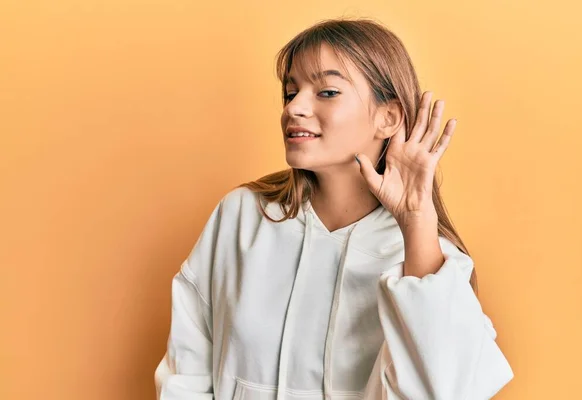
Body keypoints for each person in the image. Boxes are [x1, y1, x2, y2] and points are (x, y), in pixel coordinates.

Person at [154, 18, 514, 400]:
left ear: (387, 117)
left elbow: (451, 390)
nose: (295, 108)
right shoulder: (241, 217)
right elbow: (187, 369)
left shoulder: (426, 255)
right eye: (290, 93)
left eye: (326, 91)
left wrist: (416, 222)